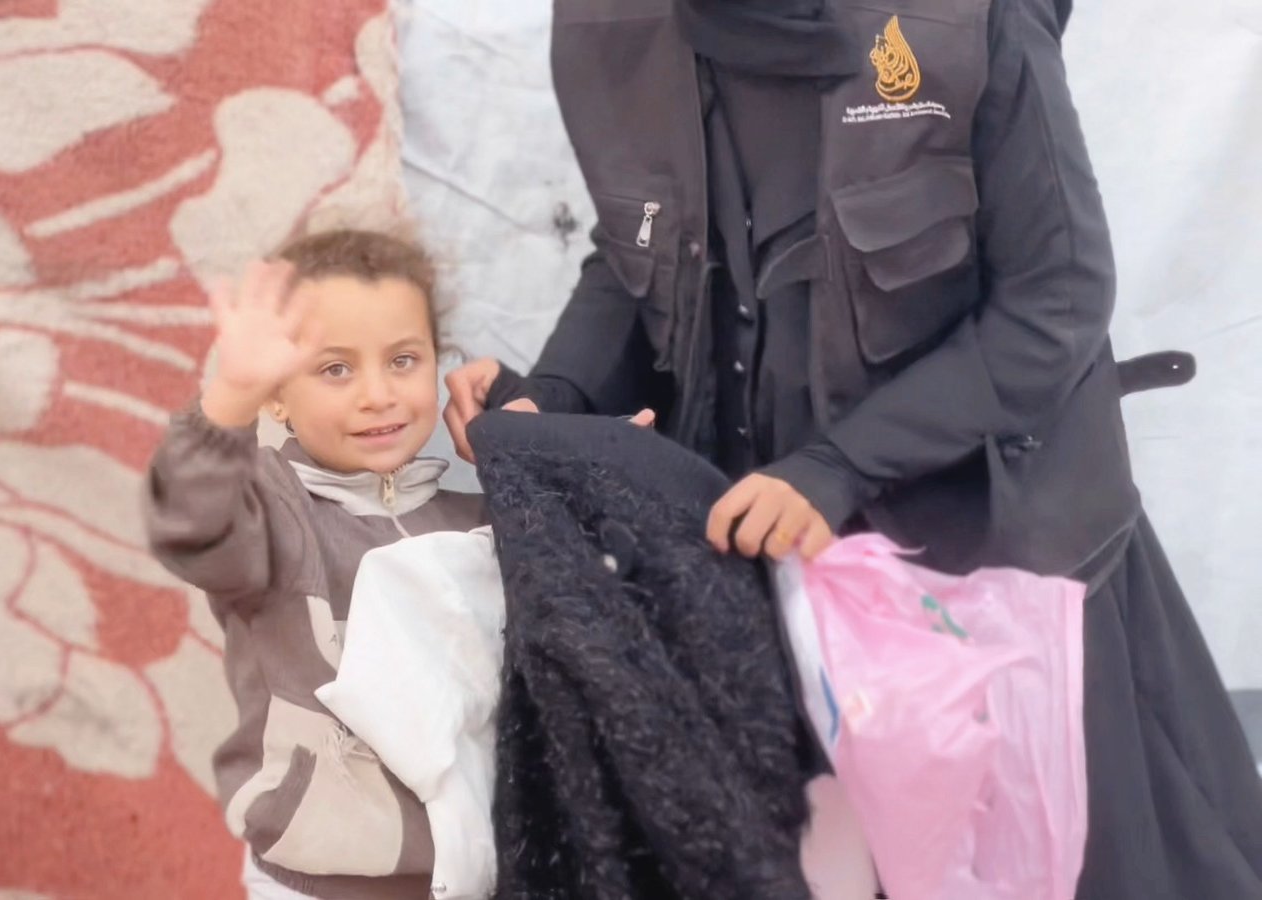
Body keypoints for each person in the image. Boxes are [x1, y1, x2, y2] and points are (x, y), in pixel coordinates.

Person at [443, 0, 1262, 896]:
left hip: (992, 587)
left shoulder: (970, 19)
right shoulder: (612, 27)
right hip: (757, 581)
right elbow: (638, 249)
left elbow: (1057, 299)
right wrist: (553, 397)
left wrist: (840, 466)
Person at [144, 229, 482, 900]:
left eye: (403, 360)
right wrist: (231, 396)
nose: (378, 394)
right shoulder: (270, 517)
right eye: (335, 370)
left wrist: (526, 463)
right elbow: (190, 521)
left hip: (465, 877)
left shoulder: (477, 522)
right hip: (318, 878)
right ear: (277, 396)